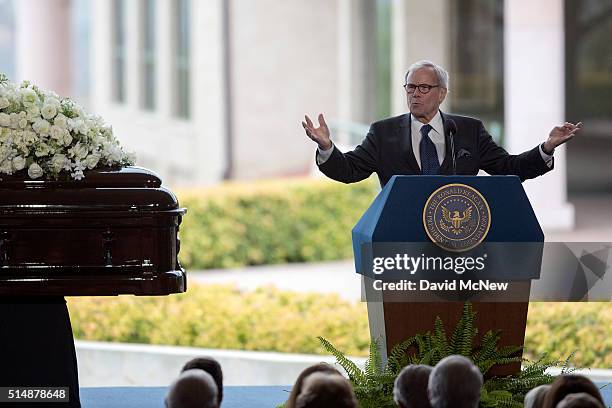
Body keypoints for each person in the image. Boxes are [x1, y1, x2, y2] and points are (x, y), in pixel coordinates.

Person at [302, 60, 582, 187]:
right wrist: (327, 147)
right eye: (410, 88)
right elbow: (349, 171)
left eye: (424, 88)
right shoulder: (383, 132)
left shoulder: (468, 130)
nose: (415, 94)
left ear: (442, 93)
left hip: (459, 236)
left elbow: (509, 169)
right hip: (402, 240)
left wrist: (546, 147)